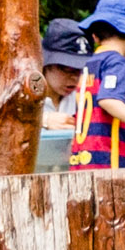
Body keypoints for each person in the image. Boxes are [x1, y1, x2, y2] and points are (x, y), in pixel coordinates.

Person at [74, 0, 125, 169]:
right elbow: (109, 99)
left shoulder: (91, 63)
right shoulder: (117, 63)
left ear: (95, 36)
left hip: (83, 158)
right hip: (108, 161)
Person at [36, 18, 93, 155]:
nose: (74, 77)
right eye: (66, 68)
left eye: (80, 70)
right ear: (46, 62)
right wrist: (43, 119)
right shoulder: (27, 90)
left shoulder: (83, 94)